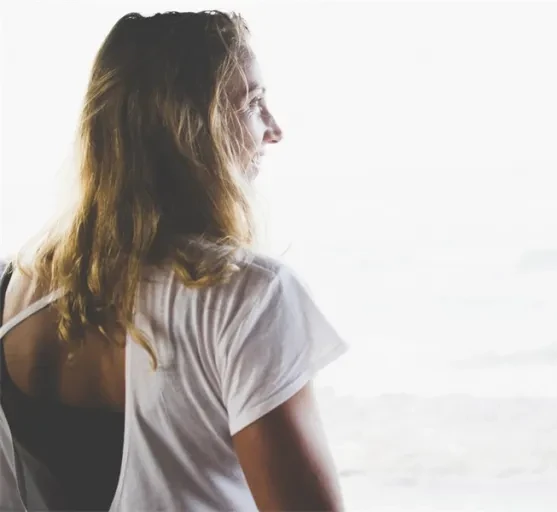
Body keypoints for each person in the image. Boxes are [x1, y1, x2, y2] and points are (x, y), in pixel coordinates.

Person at [0, 10, 346, 511]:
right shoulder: (245, 295)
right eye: (253, 103)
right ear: (190, 128)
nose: (273, 130)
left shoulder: (11, 288)